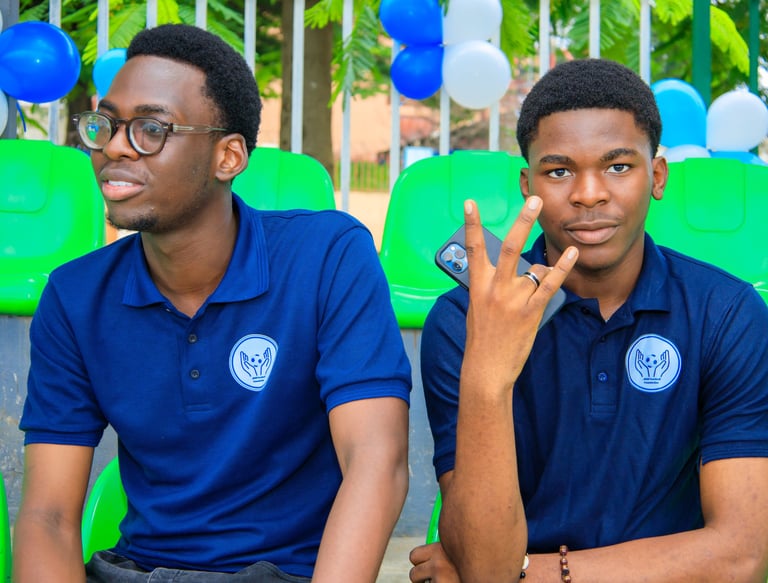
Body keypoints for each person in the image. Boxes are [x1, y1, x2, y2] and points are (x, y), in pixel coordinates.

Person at [14, 24, 411, 583]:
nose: (114, 147)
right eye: (106, 124)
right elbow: (48, 515)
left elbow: (378, 464)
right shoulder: (75, 295)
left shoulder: (326, 255)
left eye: (151, 128)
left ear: (228, 156)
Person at [410, 58, 768, 582]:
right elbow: (485, 564)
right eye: (559, 171)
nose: (588, 193)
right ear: (526, 184)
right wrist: (489, 369)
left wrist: (530, 574)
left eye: (618, 166)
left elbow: (741, 554)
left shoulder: (726, 313)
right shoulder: (461, 320)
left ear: (658, 176)